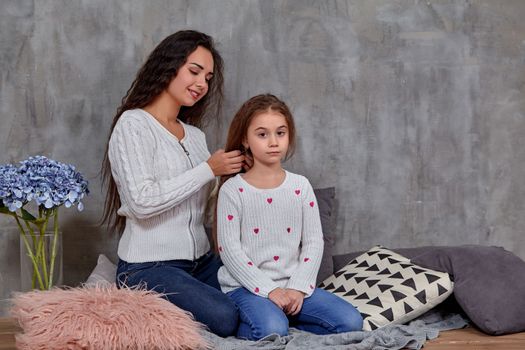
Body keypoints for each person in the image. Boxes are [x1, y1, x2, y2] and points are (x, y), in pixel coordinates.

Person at [101, 30, 243, 337]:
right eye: (194, 71)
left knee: (258, 295)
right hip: (150, 266)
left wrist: (235, 176)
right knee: (225, 316)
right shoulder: (134, 125)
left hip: (201, 262)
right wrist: (208, 169)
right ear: (168, 66)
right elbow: (142, 202)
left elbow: (200, 207)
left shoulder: (194, 135)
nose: (201, 84)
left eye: (207, 77)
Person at [214, 94, 363, 340]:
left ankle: (283, 322)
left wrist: (297, 287)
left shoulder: (300, 186)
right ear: (245, 140)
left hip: (293, 284)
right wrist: (269, 290)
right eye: (262, 134)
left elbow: (314, 242)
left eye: (280, 133)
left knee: (351, 321)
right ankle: (260, 322)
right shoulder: (233, 190)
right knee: (271, 329)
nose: (273, 142)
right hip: (247, 287)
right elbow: (230, 250)